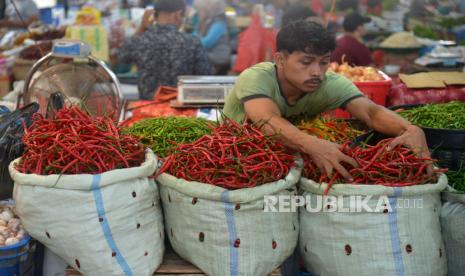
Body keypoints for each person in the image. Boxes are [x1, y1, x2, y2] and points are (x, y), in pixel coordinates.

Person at [223, 20, 431, 182]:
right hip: (234, 160)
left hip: (286, 162)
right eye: (306, 62)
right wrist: (312, 144)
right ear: (280, 60)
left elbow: (371, 112)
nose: (316, 72)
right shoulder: (256, 78)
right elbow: (267, 121)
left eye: (323, 63)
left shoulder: (329, 83)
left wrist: (409, 128)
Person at [118, 0, 213, 100]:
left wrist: (141, 27)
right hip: (182, 111)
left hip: (147, 110)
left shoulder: (141, 41)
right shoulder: (192, 42)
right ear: (178, 14)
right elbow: (205, 77)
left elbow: (122, 55)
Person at [193, 0, 231, 74]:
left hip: (218, 57)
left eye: (200, 10)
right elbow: (193, 38)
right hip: (208, 56)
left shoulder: (219, 23)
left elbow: (206, 43)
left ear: (209, 10)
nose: (198, 12)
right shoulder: (202, 22)